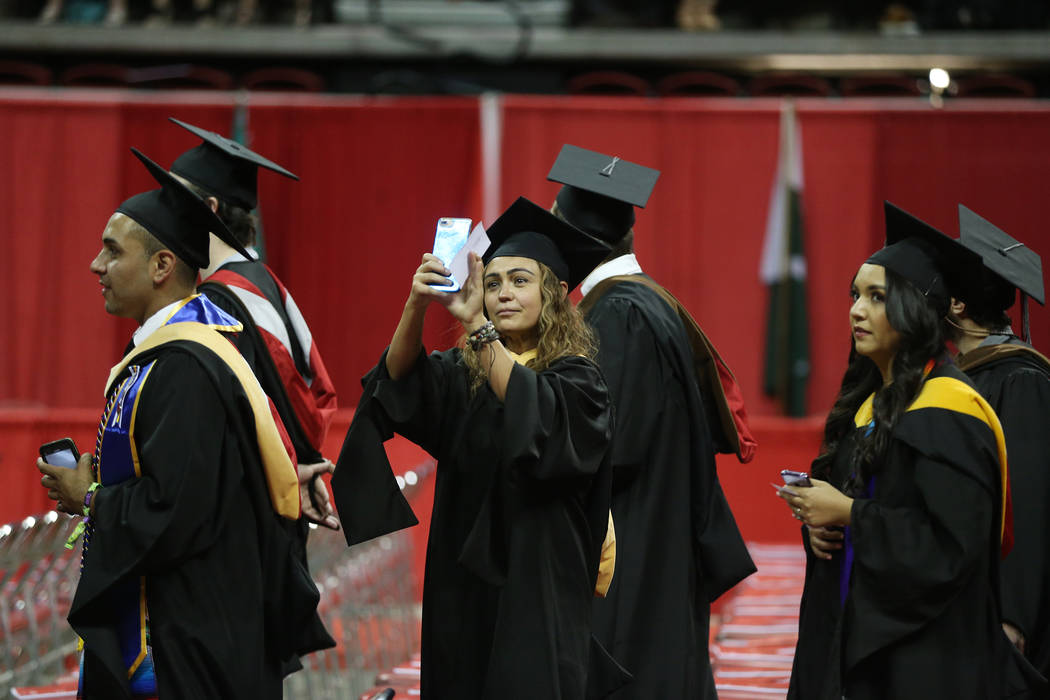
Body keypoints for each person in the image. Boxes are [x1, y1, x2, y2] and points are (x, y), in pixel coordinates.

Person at [36, 148, 331, 699]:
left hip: (190, 643)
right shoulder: (179, 354)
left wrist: (92, 497)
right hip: (191, 625)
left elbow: (179, 509)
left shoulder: (185, 368)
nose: (96, 266)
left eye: (112, 251)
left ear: (161, 266)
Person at [336, 197, 622, 698]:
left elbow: (530, 409)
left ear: (555, 293)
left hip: (537, 587)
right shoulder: (462, 375)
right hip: (461, 584)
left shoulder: (579, 381)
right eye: (493, 283)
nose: (503, 294)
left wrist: (475, 326)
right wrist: (415, 304)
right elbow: (399, 385)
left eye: (519, 281)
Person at [778, 202, 1041, 699]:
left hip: (922, 660)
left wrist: (853, 514)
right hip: (857, 644)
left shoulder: (950, 412)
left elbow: (950, 548)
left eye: (877, 297)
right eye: (855, 294)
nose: (856, 310)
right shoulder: (867, 405)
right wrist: (824, 530)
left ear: (916, 311)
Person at [547, 143, 756, 697]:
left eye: (554, 222)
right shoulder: (643, 302)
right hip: (649, 539)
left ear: (577, 238)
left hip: (632, 549)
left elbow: (615, 444)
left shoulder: (621, 312)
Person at [166, 117, 340, 533]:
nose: (162, 210)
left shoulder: (217, 305)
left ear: (207, 210)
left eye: (173, 196)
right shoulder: (265, 283)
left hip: (246, 519)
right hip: (278, 506)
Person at [952, 204, 1050, 696]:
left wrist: (1014, 614)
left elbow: (1027, 500)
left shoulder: (1021, 381)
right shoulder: (973, 376)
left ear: (956, 307)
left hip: (1007, 618)